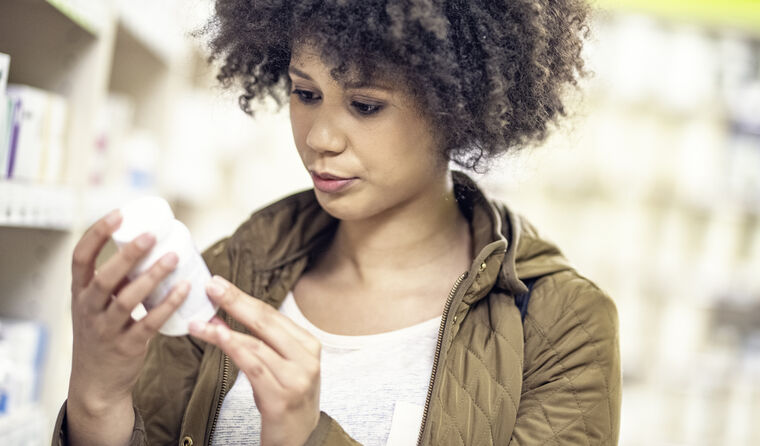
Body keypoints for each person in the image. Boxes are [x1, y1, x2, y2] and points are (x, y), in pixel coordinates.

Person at [54, 0, 621, 445]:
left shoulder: (562, 326)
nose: (320, 138)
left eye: (365, 105)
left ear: (457, 102)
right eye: (306, 94)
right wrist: (99, 399)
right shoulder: (230, 272)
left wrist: (309, 437)